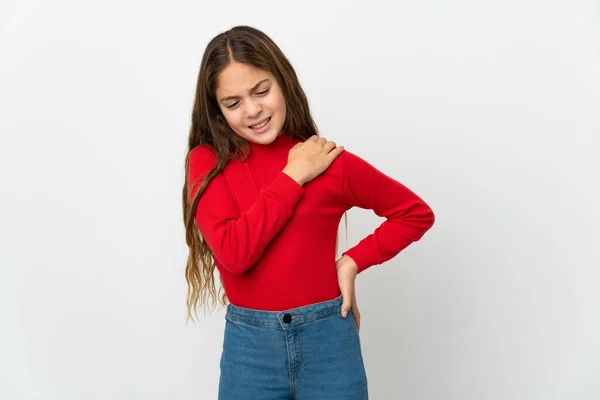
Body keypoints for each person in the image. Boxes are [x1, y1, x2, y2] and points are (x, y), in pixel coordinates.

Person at [182, 25, 435, 400]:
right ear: (217, 110)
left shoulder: (327, 161)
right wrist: (293, 175)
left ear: (283, 82)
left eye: (262, 91)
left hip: (330, 341)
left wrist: (350, 262)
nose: (252, 110)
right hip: (250, 350)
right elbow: (235, 254)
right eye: (233, 103)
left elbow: (414, 213)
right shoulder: (208, 161)